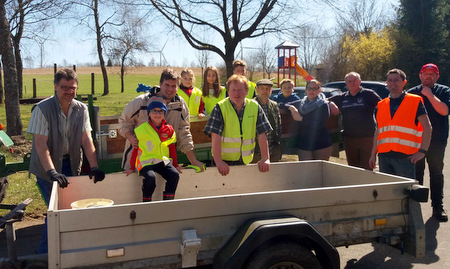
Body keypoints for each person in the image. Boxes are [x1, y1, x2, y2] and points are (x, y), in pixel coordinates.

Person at [27, 68, 105, 254]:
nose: (69, 91)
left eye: (73, 88)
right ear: (55, 87)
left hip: (71, 164)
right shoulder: (42, 109)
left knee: (70, 208)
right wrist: (52, 172)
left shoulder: (81, 109)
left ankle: (69, 250)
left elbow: (86, 140)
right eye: (64, 87)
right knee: (56, 210)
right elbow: (40, 145)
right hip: (47, 167)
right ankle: (45, 254)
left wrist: (94, 166)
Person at [119, 68, 205, 172]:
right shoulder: (141, 102)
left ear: (178, 86)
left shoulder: (180, 105)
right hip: (138, 161)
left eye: (174, 86)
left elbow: (184, 133)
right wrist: (131, 137)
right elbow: (124, 123)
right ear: (160, 84)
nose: (170, 89)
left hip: (164, 163)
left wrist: (194, 161)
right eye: (167, 85)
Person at [369, 69, 432, 181]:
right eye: (390, 80)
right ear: (386, 83)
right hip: (384, 157)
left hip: (406, 157)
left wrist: (422, 151)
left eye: (397, 80)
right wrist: (373, 154)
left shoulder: (415, 101)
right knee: (388, 192)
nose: (393, 83)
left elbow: (427, 127)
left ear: (404, 82)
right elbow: (378, 131)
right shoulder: (381, 105)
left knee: (407, 193)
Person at [203, 75, 272, 176]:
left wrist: (265, 158)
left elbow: (262, 133)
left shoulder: (255, 107)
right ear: (228, 91)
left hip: (245, 160)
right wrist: (219, 161)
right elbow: (215, 136)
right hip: (223, 163)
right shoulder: (220, 108)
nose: (236, 93)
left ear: (247, 91)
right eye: (233, 90)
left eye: (240, 90)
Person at [407, 63, 450, 222]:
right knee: (416, 174)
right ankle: (414, 208)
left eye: (432, 74)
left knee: (436, 173)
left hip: (437, 141)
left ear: (437, 77)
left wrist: (430, 95)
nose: (428, 76)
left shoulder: (444, 91)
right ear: (420, 75)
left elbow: (444, 111)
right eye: (426, 73)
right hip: (416, 141)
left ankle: (437, 207)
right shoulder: (411, 93)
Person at [125, 97, 180, 201]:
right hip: (146, 161)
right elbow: (135, 149)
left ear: (164, 113)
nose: (157, 114)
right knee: (151, 178)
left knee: (174, 175)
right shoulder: (141, 130)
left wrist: (176, 165)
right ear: (149, 113)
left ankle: (168, 201)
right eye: (154, 111)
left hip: (163, 160)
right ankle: (146, 201)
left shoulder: (169, 129)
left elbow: (172, 147)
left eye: (160, 111)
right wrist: (132, 167)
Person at [328, 72, 381, 170]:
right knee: (353, 168)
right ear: (346, 84)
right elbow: (324, 100)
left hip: (367, 137)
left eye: (354, 81)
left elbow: (382, 107)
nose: (352, 83)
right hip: (349, 138)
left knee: (367, 167)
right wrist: (331, 103)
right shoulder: (342, 97)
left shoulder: (369, 94)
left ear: (360, 81)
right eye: (349, 81)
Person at [288, 79, 339, 161]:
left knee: (320, 171)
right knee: (307, 171)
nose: (311, 91)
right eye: (309, 88)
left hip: (322, 142)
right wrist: (291, 108)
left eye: (314, 88)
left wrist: (301, 119)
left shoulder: (323, 105)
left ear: (319, 90)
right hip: (304, 143)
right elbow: (283, 104)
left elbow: (320, 125)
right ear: (306, 90)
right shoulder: (301, 103)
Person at [252, 78, 282, 162]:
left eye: (267, 89)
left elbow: (279, 126)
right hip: (255, 150)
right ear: (257, 90)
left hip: (273, 149)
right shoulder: (250, 104)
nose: (265, 91)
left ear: (271, 91)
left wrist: (278, 145)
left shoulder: (274, 105)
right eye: (262, 89)